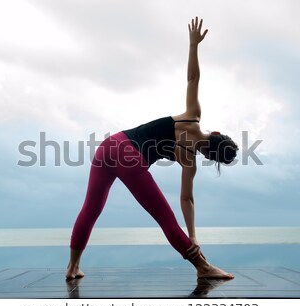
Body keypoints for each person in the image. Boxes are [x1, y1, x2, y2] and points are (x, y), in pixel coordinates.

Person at [66, 17, 238, 281]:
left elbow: (193, 78)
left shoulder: (192, 117)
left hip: (110, 144)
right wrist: (192, 235)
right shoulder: (189, 160)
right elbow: (187, 200)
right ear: (210, 155)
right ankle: (203, 268)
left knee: (90, 208)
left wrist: (193, 45)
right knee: (165, 218)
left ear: (216, 134)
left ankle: (72, 268)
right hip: (130, 157)